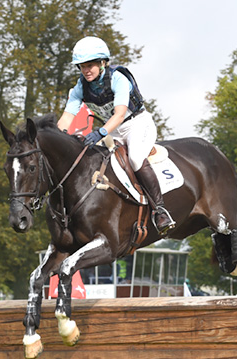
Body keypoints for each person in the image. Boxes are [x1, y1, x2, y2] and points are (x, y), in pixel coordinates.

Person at [57, 36, 176, 235]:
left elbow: (120, 114)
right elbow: (67, 116)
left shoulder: (118, 78)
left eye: (90, 65)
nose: (86, 70)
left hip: (137, 124)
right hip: (113, 130)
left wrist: (101, 132)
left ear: (103, 62)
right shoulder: (80, 87)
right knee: (97, 164)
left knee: (136, 159)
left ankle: (160, 209)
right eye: (82, 66)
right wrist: (58, 135)